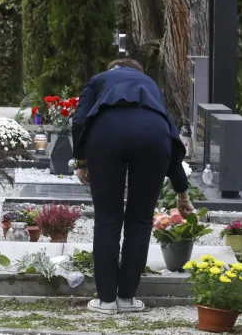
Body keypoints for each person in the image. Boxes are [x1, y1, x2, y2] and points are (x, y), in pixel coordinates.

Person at [71, 58, 195, 315]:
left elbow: (79, 121)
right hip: (152, 136)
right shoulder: (149, 86)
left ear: (111, 71)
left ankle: (106, 301)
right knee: (139, 220)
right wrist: (183, 194)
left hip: (106, 135)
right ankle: (127, 298)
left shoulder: (99, 80)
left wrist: (82, 162)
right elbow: (171, 142)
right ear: (139, 73)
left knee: (107, 219)